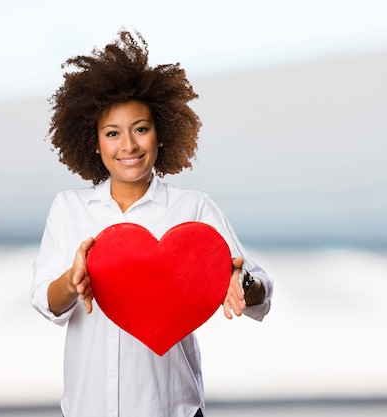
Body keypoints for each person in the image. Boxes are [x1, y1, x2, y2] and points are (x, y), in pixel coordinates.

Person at [31, 30, 273, 417]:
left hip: (171, 409)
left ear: (161, 133)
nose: (128, 145)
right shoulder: (69, 208)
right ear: (95, 142)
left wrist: (243, 284)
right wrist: (72, 281)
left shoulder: (194, 208)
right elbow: (45, 301)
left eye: (140, 129)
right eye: (112, 134)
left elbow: (259, 289)